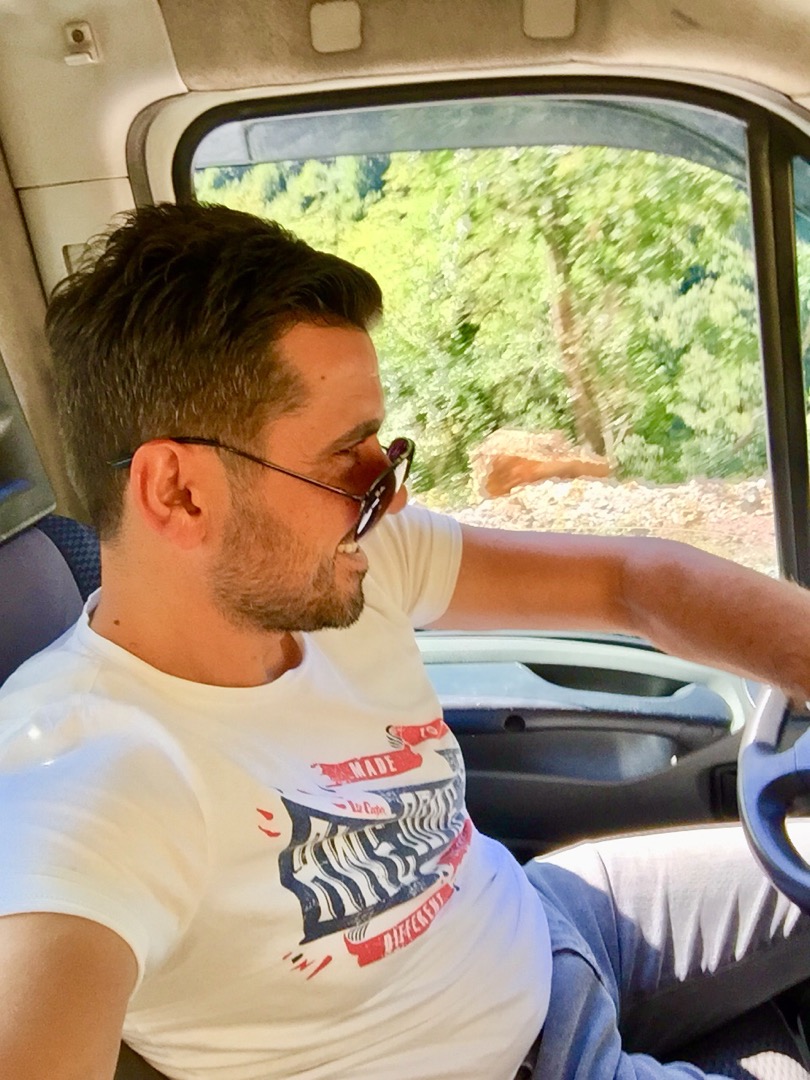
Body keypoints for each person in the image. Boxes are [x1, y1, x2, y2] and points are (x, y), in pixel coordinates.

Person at [1, 202, 810, 1080]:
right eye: (344, 454)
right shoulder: (92, 783)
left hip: (552, 915)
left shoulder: (350, 561)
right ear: (180, 492)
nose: (390, 493)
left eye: (381, 447)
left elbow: (632, 584)